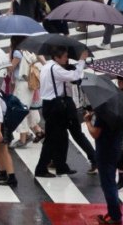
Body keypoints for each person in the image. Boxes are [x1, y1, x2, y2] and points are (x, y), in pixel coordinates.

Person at [34, 45, 89, 178]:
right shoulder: (56, 69)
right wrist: (82, 60)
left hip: (50, 105)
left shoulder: (47, 66)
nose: (66, 59)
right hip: (55, 106)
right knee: (51, 140)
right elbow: (75, 76)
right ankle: (41, 169)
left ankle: (61, 166)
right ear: (56, 57)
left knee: (62, 137)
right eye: (64, 57)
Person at [86, 102, 123, 225]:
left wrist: (87, 122)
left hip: (104, 152)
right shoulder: (119, 111)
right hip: (116, 149)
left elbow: (95, 133)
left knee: (108, 184)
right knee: (111, 181)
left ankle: (115, 215)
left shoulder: (103, 113)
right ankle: (113, 211)